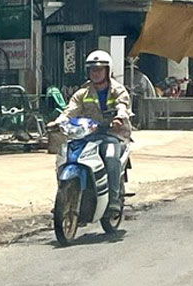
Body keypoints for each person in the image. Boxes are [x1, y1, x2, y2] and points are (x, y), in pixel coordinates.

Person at [48, 50, 132, 217]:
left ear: (108, 71)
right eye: (93, 69)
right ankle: (65, 196)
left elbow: (123, 106)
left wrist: (119, 118)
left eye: (100, 69)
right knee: (66, 157)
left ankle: (114, 200)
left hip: (112, 135)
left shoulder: (118, 90)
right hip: (88, 135)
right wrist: (57, 122)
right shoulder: (83, 92)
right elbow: (70, 110)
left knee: (110, 158)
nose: (96, 73)